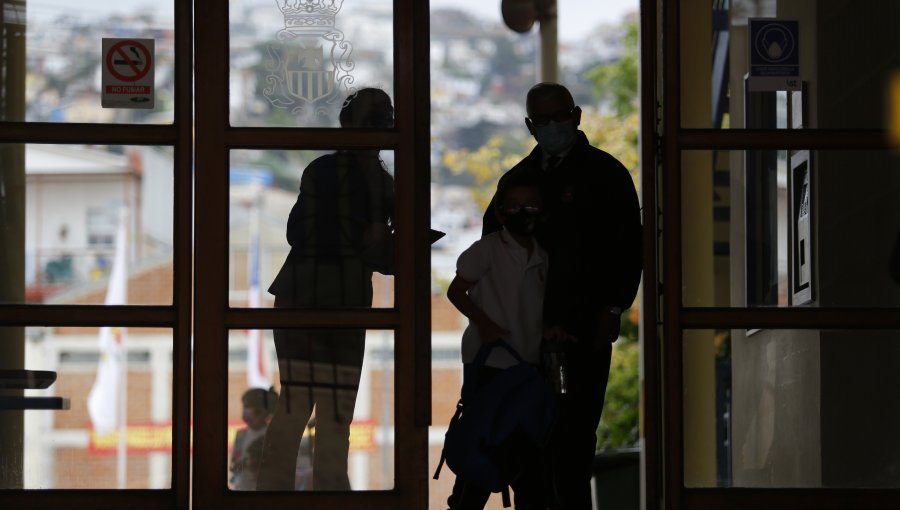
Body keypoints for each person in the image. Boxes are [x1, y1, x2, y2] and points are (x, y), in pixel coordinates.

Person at [483, 82, 642, 509]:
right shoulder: (517, 180)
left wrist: (611, 309)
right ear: (530, 125)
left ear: (577, 116)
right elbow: (491, 255)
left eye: (560, 118)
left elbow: (629, 250)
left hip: (585, 331)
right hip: (524, 338)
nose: (553, 128)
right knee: (526, 440)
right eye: (543, 121)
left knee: (574, 439)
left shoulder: (607, 176)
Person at [257, 87, 396, 491]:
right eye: (375, 122)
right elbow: (301, 233)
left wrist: (385, 245)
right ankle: (303, 493)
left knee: (320, 407)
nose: (379, 131)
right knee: (311, 405)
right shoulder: (348, 176)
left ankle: (286, 494)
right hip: (323, 294)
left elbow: (304, 233)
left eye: (383, 122)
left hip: (325, 294)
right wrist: (370, 239)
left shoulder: (368, 179)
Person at [445, 171, 550, 510]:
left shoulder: (542, 256)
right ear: (501, 213)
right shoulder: (488, 250)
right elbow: (455, 290)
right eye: (515, 206)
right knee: (485, 443)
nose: (523, 212)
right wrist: (485, 324)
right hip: (489, 364)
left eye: (531, 205)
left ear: (543, 210)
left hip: (527, 365)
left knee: (522, 451)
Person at [230, 387, 278, 490]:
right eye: (245, 407)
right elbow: (235, 461)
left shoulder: (272, 435)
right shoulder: (241, 435)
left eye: (249, 407)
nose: (245, 412)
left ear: (264, 412)